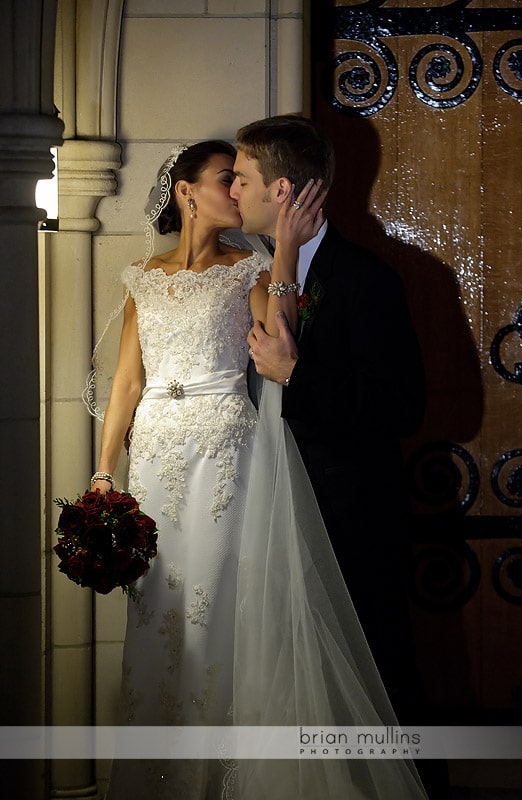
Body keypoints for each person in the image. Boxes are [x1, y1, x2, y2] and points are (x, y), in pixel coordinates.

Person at [88, 137, 430, 799]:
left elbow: (280, 343)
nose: (235, 191)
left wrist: (287, 264)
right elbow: (126, 385)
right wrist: (104, 476)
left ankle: (226, 775)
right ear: (186, 193)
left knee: (221, 608)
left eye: (239, 178)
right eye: (226, 179)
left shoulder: (249, 268)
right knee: (159, 613)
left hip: (224, 453)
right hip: (156, 457)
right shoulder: (141, 277)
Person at [231, 114, 449, 799]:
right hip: (280, 512)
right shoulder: (267, 275)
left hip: (352, 515)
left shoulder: (367, 279)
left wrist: (299, 377)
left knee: (378, 673)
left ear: (285, 189)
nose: (233, 191)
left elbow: (402, 409)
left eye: (242, 178)